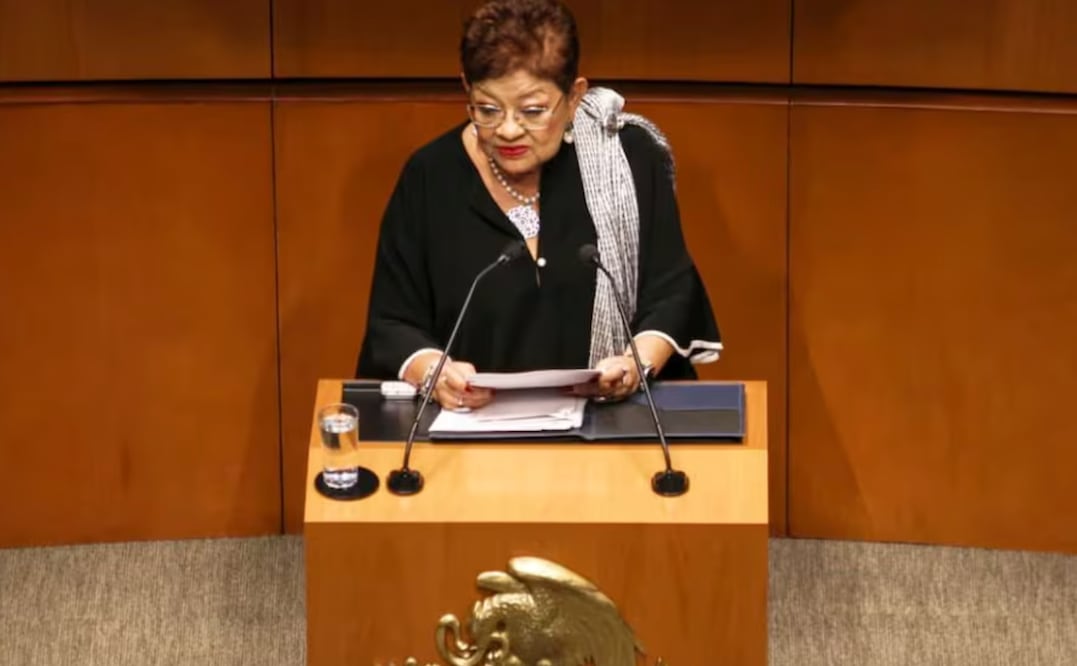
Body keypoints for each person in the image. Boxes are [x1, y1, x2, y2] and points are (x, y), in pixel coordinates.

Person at [356, 0, 721, 411]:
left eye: (532, 110)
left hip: (613, 427)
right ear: (466, 89)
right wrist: (434, 371)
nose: (509, 129)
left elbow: (671, 291)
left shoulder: (627, 158)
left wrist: (635, 364)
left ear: (574, 95)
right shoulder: (430, 176)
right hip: (470, 438)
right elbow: (393, 320)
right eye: (488, 109)